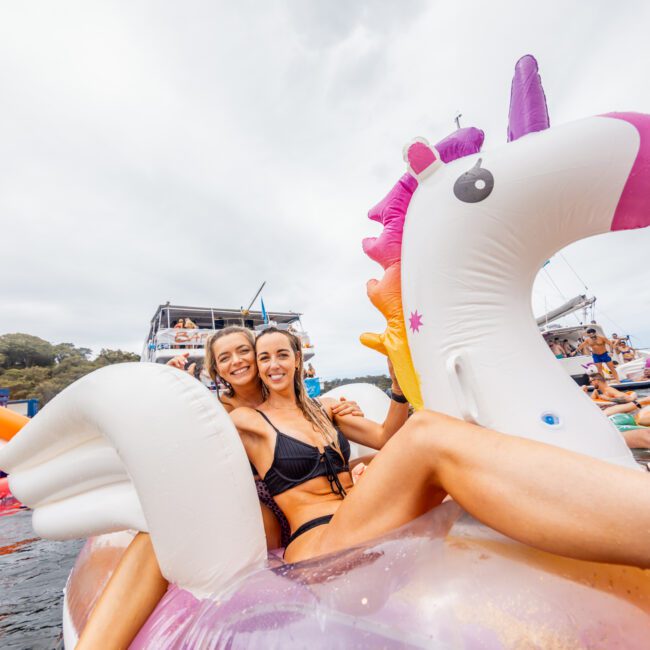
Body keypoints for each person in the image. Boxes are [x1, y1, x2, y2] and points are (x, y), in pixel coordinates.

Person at [78, 328, 650, 648]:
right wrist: (181, 385)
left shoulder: (326, 411)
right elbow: (184, 440)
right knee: (430, 437)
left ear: (298, 359)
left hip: (367, 525)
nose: (265, 364)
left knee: (434, 436)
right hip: (319, 548)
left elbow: (386, 436)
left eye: (278, 354)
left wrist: (400, 390)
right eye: (250, 358)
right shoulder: (242, 422)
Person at [77, 326, 409, 648]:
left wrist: (356, 409)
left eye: (244, 351)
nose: (236, 361)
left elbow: (358, 443)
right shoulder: (215, 413)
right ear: (215, 368)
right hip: (250, 505)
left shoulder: (303, 408)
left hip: (301, 506)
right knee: (159, 536)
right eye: (224, 357)